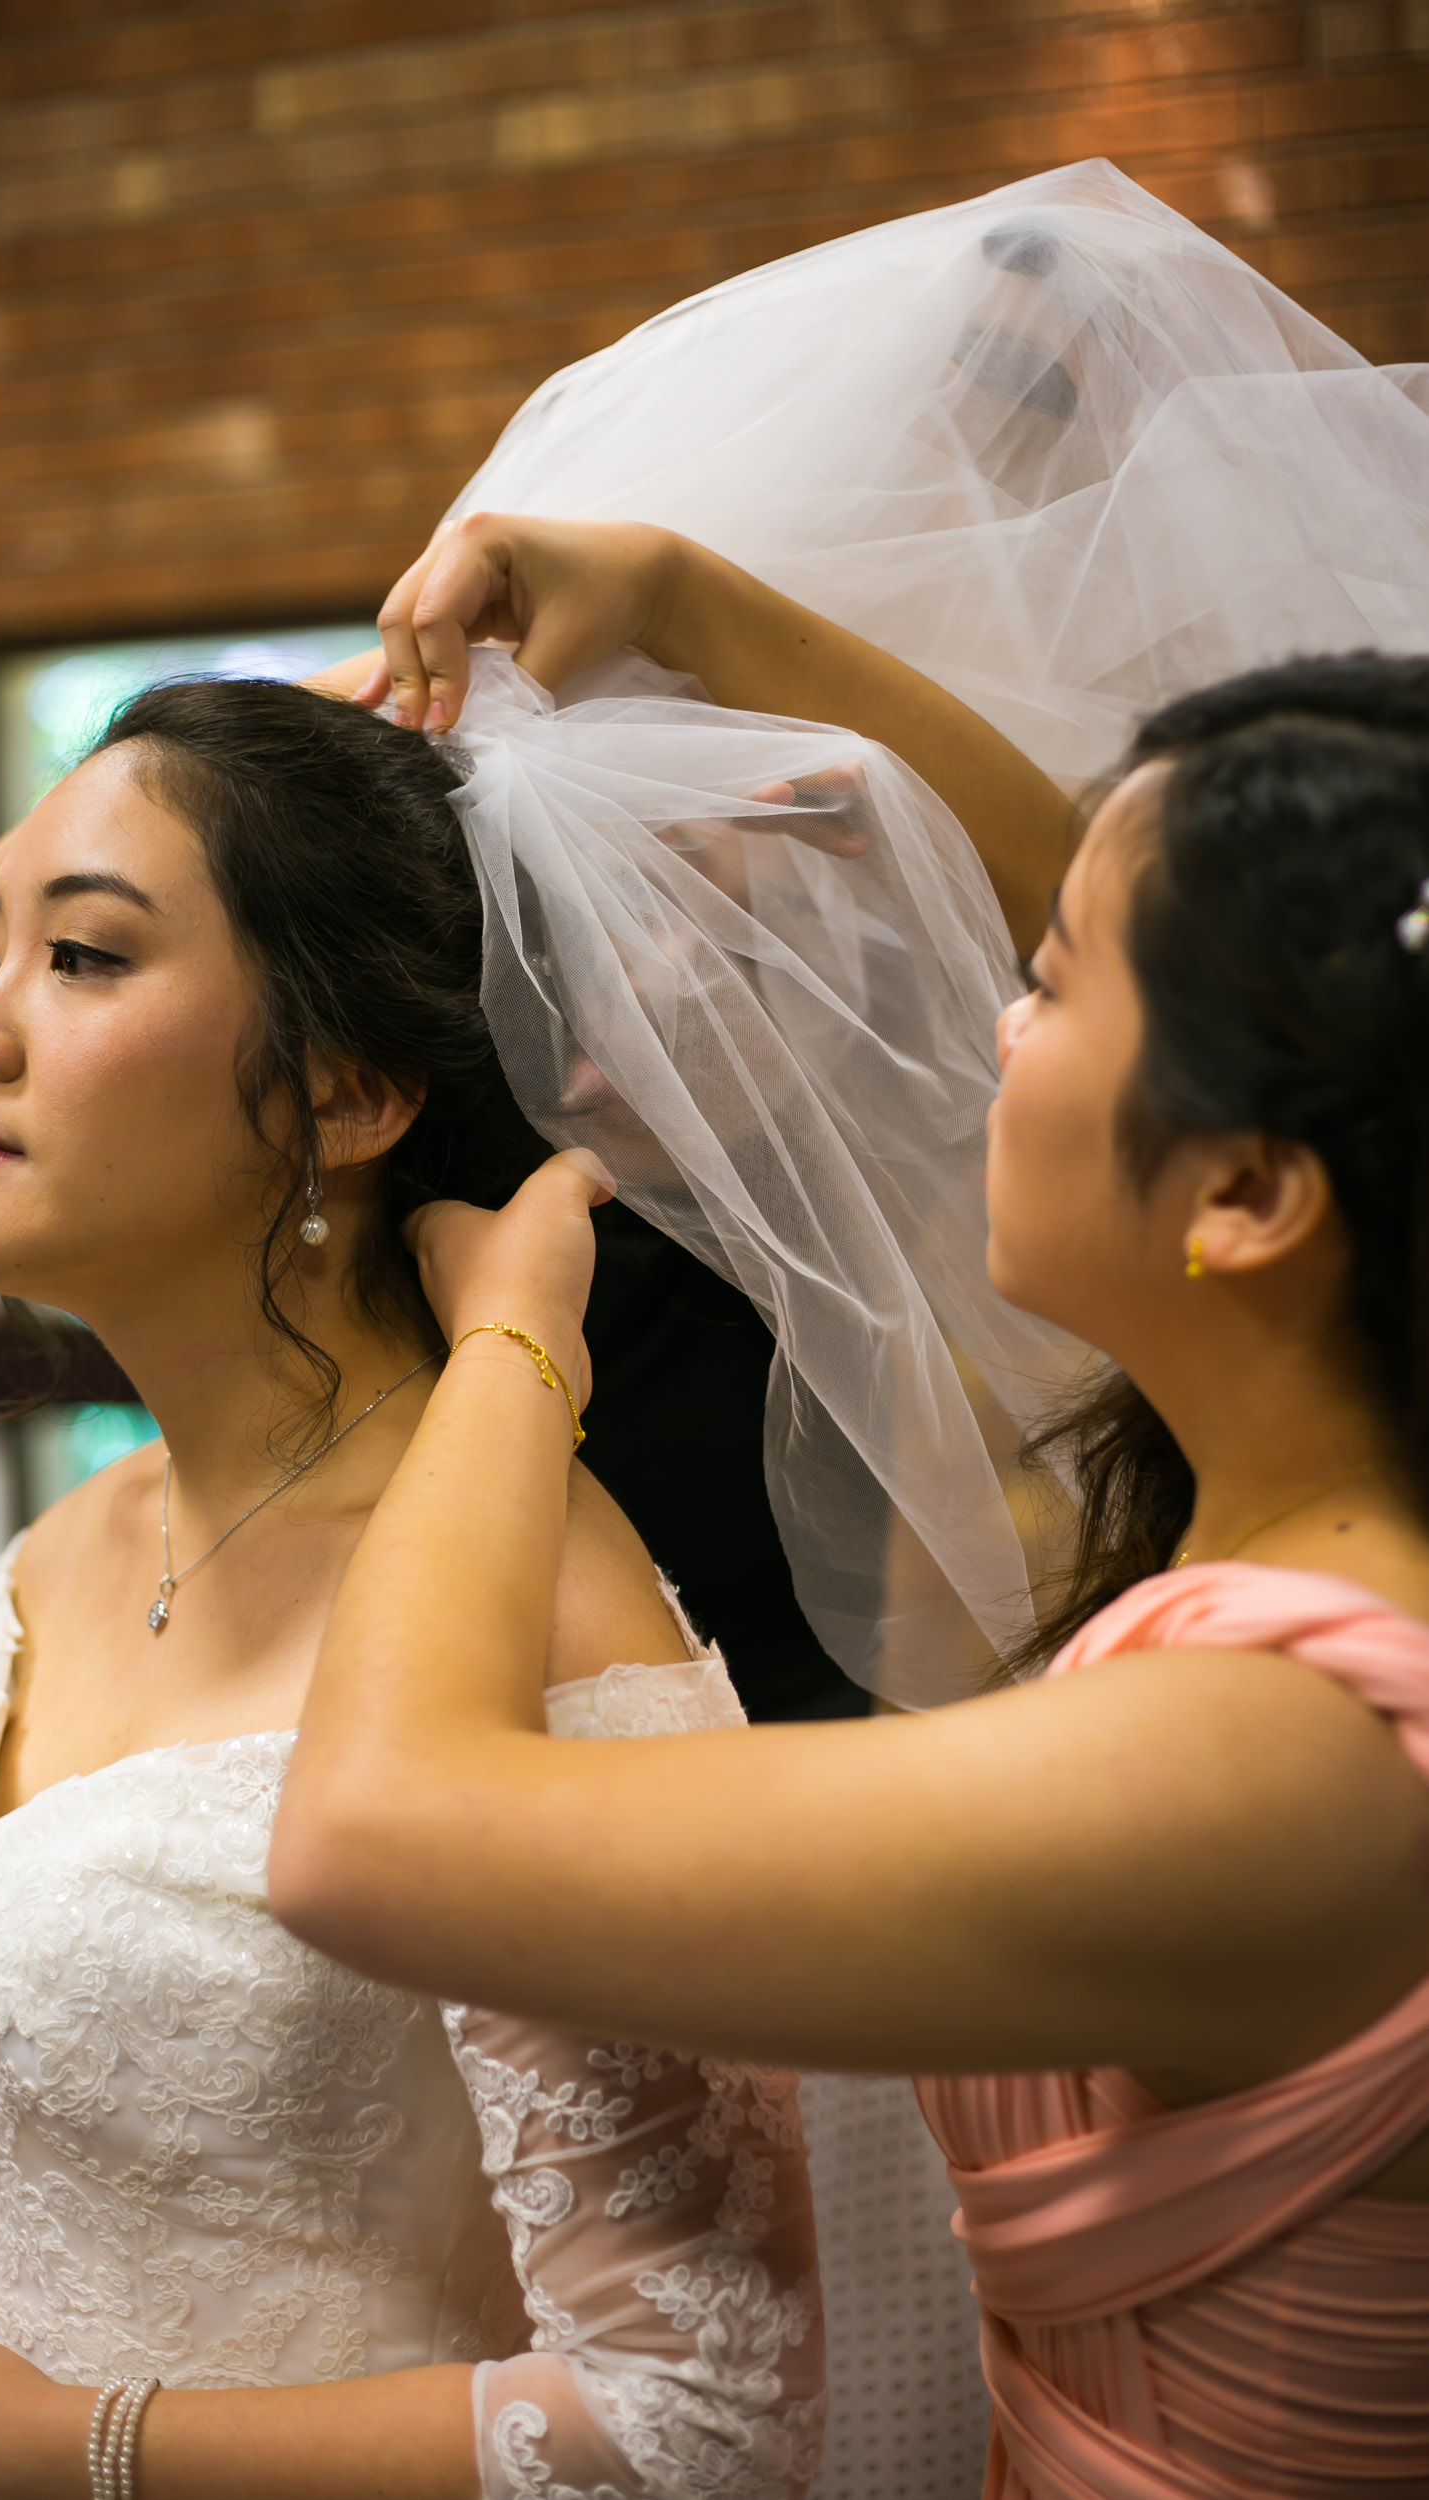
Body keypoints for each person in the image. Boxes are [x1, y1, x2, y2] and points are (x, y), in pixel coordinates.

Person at [241, 524, 1429, 2495]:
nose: (983, 1019)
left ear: (1245, 1193)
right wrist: (682, 598)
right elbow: (1205, 950)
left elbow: (371, 1837)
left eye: (1045, 988)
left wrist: (513, 1339)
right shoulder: (1314, 1515)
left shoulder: (1291, 1748)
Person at [0, 680, 828, 2500]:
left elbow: (713, 2410)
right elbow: (119, 2026)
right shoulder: (69, 1554)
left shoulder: (542, 1606)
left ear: (341, 1091)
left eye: (87, 960)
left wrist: (85, 2448)